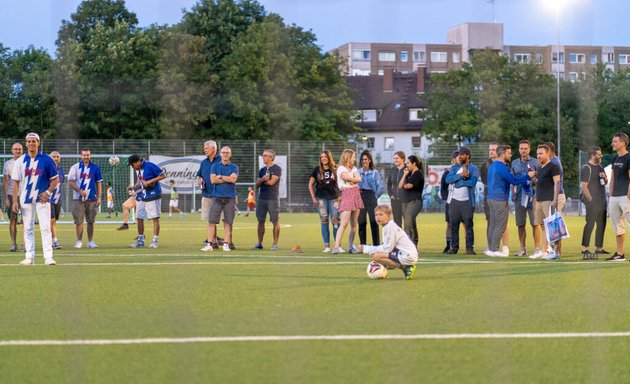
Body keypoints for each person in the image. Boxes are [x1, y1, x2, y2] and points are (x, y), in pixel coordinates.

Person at [11, 133, 59, 266]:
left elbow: (55, 179)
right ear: (26, 143)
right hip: (25, 199)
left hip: (42, 200)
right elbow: (15, 182)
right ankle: (29, 257)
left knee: (45, 227)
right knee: (27, 228)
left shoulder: (46, 159)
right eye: (29, 141)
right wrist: (15, 201)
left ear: (38, 143)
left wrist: (48, 192)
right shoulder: (20, 161)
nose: (31, 143)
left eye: (34, 141)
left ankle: (48, 257)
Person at [485, 145, 533, 257]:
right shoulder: (501, 167)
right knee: (501, 225)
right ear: (503, 153)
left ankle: (491, 248)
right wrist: (528, 176)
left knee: (493, 224)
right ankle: (495, 250)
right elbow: (513, 180)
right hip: (499, 198)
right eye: (509, 153)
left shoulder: (492, 166)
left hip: (491, 198)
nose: (511, 155)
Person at [357, 205, 418, 280]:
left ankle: (405, 267)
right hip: (403, 253)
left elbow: (387, 249)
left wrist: (366, 248)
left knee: (376, 256)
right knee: (377, 254)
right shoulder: (387, 226)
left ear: (388, 216)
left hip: (408, 255)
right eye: (376, 215)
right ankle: (385, 270)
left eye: (381, 214)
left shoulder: (390, 227)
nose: (378, 217)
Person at [201, 146, 238, 252]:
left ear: (230, 154)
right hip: (216, 197)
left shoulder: (234, 167)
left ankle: (226, 244)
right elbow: (213, 180)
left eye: (227, 153)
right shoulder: (215, 166)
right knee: (211, 221)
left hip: (230, 198)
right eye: (223, 152)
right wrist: (227, 178)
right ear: (220, 154)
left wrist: (220, 176)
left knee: (228, 222)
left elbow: (233, 179)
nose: (225, 154)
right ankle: (209, 244)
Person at [529, 144, 561, 260]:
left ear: (547, 153)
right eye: (537, 153)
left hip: (548, 200)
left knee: (552, 226)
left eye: (541, 153)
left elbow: (557, 183)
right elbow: (539, 182)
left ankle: (555, 252)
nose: (538, 156)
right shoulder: (540, 167)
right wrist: (533, 178)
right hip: (539, 200)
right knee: (543, 226)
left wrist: (555, 199)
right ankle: (544, 251)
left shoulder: (553, 167)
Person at [445, 147, 479, 255]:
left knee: (468, 225)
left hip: (467, 201)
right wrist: (461, 175)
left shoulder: (474, 168)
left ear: (468, 155)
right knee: (454, 225)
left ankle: (469, 248)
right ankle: (454, 247)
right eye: (459, 154)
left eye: (463, 154)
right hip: (454, 201)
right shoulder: (454, 168)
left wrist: (459, 183)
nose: (460, 156)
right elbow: (448, 180)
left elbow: (472, 182)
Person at [128, 154, 166, 249]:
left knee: (155, 218)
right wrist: (133, 187)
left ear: (138, 162)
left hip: (153, 195)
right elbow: (139, 181)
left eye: (133, 165)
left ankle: (155, 241)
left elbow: (163, 175)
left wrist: (149, 181)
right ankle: (141, 240)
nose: (132, 167)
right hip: (142, 196)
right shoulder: (138, 169)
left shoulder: (149, 166)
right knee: (139, 217)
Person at [68, 148, 103, 249]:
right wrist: (80, 191)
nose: (86, 157)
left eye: (87, 155)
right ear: (81, 156)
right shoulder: (75, 167)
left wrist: (99, 197)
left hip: (92, 198)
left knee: (91, 221)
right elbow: (70, 181)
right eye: (84, 155)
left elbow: (98, 183)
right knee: (79, 221)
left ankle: (90, 241)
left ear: (90, 156)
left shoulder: (95, 167)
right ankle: (79, 241)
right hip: (78, 199)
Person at [511, 140, 539, 256]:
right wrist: (512, 189)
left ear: (529, 149)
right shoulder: (514, 163)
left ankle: (537, 248)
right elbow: (512, 180)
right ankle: (522, 248)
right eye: (521, 148)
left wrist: (533, 180)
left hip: (533, 197)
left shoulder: (536, 162)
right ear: (519, 149)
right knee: (520, 224)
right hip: (519, 198)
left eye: (525, 148)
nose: (523, 150)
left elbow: (540, 178)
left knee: (535, 223)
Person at [580, 146, 609, 259]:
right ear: (592, 156)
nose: (601, 156)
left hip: (602, 201)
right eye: (599, 154)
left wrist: (605, 178)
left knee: (601, 225)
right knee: (590, 224)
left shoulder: (600, 166)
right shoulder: (587, 168)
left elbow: (605, 182)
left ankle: (599, 248)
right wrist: (590, 200)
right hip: (593, 202)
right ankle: (584, 248)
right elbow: (584, 187)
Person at [308, 150, 340, 252]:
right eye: (321, 157)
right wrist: (313, 197)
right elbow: (310, 184)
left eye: (325, 157)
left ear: (329, 157)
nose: (323, 159)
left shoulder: (336, 169)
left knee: (335, 221)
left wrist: (341, 195)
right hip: (321, 199)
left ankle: (337, 246)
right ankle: (327, 246)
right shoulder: (317, 170)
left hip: (334, 198)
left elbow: (342, 183)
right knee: (324, 221)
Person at [480, 142, 509, 255]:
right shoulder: (485, 166)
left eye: (493, 149)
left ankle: (505, 246)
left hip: (502, 198)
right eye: (489, 149)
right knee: (491, 222)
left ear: (498, 151)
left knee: (503, 223)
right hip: (490, 198)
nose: (491, 151)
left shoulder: (505, 164)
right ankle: (491, 247)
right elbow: (485, 181)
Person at [332, 149, 363, 254]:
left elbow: (359, 179)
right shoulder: (340, 168)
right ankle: (336, 247)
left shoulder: (354, 168)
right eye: (353, 156)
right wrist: (352, 178)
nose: (355, 158)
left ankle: (350, 247)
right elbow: (346, 177)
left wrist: (351, 179)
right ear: (348, 157)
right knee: (344, 223)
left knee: (354, 224)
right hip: (347, 194)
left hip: (356, 194)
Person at [606, 132, 630, 262]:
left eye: (615, 141)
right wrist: (611, 194)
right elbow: (613, 178)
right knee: (617, 226)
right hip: (614, 197)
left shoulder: (629, 157)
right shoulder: (615, 159)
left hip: (626, 197)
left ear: (623, 143)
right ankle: (620, 254)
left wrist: (629, 195)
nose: (612, 143)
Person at [252, 149, 282, 250]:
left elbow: (271, 182)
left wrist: (262, 181)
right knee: (260, 221)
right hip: (262, 198)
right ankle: (259, 243)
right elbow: (256, 185)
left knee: (275, 221)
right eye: (263, 155)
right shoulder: (262, 170)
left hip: (272, 199)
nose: (263, 157)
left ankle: (274, 244)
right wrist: (263, 179)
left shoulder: (277, 168)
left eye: (265, 155)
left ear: (271, 157)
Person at [197, 140, 221, 248]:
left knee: (225, 220)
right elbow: (200, 176)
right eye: (204, 148)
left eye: (206, 148)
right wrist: (200, 183)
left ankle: (228, 242)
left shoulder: (221, 160)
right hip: (207, 195)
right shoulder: (203, 162)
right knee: (210, 220)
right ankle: (214, 241)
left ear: (213, 149)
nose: (204, 150)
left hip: (220, 195)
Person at [358, 150, 384, 245]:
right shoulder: (358, 172)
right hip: (360, 196)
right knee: (361, 222)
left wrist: (375, 196)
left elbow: (381, 186)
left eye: (366, 159)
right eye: (362, 159)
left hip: (371, 196)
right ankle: (363, 245)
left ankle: (376, 245)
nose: (364, 161)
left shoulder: (375, 172)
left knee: (374, 221)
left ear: (369, 160)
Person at [398, 155, 425, 247]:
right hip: (405, 202)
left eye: (408, 163)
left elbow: (408, 186)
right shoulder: (408, 173)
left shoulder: (418, 174)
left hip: (415, 201)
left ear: (414, 163)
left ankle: (414, 241)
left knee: (409, 220)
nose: (406, 165)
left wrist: (405, 184)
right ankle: (408, 244)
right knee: (407, 222)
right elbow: (400, 186)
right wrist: (404, 175)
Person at [4, 142, 23, 251]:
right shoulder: (8, 164)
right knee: (13, 219)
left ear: (22, 150)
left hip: (25, 194)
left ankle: (25, 244)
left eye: (19, 149)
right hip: (12, 194)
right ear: (12, 150)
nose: (17, 151)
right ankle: (13, 243)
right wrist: (6, 197)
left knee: (26, 220)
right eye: (15, 149)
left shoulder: (26, 161)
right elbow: (6, 181)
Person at [440, 151, 459, 253]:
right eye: (456, 158)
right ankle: (448, 245)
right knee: (450, 224)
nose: (458, 160)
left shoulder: (464, 170)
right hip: (450, 201)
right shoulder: (447, 172)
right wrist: (445, 198)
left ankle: (468, 246)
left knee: (465, 224)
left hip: (462, 201)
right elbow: (443, 187)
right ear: (452, 160)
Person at [49, 151, 64, 250]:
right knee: (51, 220)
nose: (55, 158)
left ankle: (52, 240)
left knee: (54, 221)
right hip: (48, 199)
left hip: (57, 200)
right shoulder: (47, 168)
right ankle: (54, 241)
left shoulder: (61, 170)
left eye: (57, 156)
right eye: (53, 156)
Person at [545, 142, 566, 213]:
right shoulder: (553, 161)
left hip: (556, 195)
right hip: (555, 194)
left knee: (554, 222)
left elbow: (554, 181)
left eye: (544, 151)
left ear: (549, 151)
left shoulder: (554, 163)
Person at [387, 151, 406, 227]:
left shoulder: (407, 170)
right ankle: (398, 238)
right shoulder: (392, 170)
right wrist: (390, 195)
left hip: (405, 200)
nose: (395, 160)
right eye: (394, 158)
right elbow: (389, 184)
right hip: (395, 200)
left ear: (403, 159)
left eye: (397, 158)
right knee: (397, 223)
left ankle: (409, 238)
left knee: (408, 222)